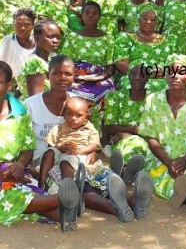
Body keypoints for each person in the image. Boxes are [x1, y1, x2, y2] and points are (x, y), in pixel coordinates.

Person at [0, 60, 83, 231]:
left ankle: (61, 214)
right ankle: (60, 200)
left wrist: (20, 164)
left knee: (25, 189)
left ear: (9, 86)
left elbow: (27, 148)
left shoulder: (20, 111)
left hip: (10, 170)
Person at [25, 56, 153, 222]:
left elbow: (91, 133)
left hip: (80, 157)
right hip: (46, 162)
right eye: (57, 73)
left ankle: (131, 200)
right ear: (47, 76)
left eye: (68, 74)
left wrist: (91, 151)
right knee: (81, 186)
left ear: (74, 77)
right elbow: (24, 143)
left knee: (99, 175)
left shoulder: (80, 102)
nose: (62, 78)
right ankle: (119, 207)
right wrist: (29, 168)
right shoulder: (30, 105)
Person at [140, 54, 186, 212]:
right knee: (163, 180)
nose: (174, 76)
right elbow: (151, 137)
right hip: (160, 158)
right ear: (166, 75)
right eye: (171, 72)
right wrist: (169, 162)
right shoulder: (153, 100)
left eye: (181, 72)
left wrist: (185, 159)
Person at [38, 97, 101, 188]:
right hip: (60, 154)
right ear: (63, 114)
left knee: (67, 160)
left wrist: (79, 151)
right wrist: (60, 147)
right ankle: (41, 184)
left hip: (79, 156)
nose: (73, 118)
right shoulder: (58, 128)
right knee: (49, 152)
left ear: (86, 115)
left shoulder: (90, 129)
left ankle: (68, 189)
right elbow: (50, 146)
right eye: (69, 114)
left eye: (79, 115)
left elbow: (94, 145)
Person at [60, 1, 115, 106]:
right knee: (68, 91)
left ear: (99, 16)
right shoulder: (72, 36)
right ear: (82, 15)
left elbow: (110, 67)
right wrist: (74, 77)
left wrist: (94, 78)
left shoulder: (108, 38)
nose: (91, 15)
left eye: (94, 13)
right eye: (87, 12)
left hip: (100, 76)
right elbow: (65, 62)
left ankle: (96, 121)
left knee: (106, 91)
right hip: (76, 75)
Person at [103, 65, 149, 183]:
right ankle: (125, 171)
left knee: (138, 145)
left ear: (148, 79)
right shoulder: (116, 97)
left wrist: (126, 133)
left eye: (141, 75)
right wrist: (134, 130)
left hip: (146, 142)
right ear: (128, 77)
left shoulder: (153, 100)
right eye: (133, 74)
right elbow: (109, 127)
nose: (137, 78)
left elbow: (154, 130)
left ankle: (124, 171)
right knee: (128, 147)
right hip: (121, 141)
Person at [115, 8, 176, 92]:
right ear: (138, 20)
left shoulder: (168, 40)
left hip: (161, 78)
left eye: (152, 19)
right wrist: (146, 74)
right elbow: (121, 64)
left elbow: (175, 64)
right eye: (145, 19)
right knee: (129, 86)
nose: (148, 22)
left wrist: (164, 72)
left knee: (172, 87)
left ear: (156, 23)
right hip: (134, 79)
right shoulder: (126, 38)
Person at [18, 19, 61, 99]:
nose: (55, 41)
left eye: (58, 37)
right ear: (37, 38)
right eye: (50, 37)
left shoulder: (48, 60)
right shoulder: (35, 62)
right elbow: (36, 99)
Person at [0, 8, 36, 86]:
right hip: (13, 85)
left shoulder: (38, 41)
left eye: (27, 25)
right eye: (18, 24)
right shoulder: (9, 41)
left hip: (34, 84)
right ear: (13, 24)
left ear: (33, 26)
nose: (22, 28)